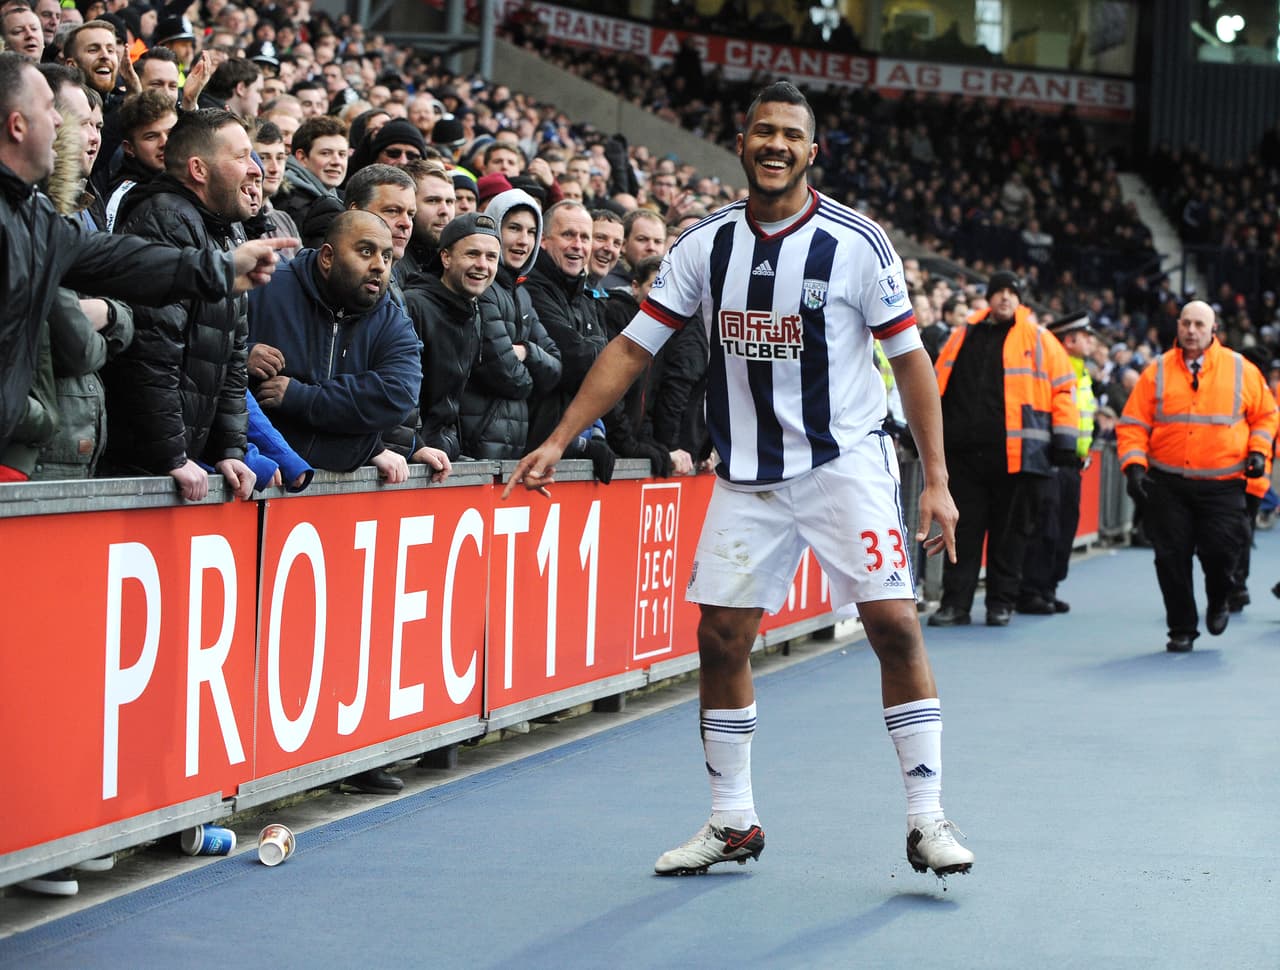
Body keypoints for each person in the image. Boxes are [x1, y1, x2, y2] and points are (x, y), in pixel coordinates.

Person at [505, 81, 973, 879]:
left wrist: (936, 480)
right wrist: (558, 436)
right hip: (748, 476)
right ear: (743, 141)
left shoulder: (857, 243)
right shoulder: (706, 245)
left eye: (792, 134)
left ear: (811, 151)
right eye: (764, 131)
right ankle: (732, 823)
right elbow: (631, 347)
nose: (776, 145)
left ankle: (927, 819)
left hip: (844, 465)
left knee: (896, 625)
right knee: (720, 639)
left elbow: (911, 362)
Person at [0, 53, 292, 479]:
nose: (62, 126)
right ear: (17, 125)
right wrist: (29, 414)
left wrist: (219, 269)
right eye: (52, 111)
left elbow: (113, 258)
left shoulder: (30, 212)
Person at [100, 109, 265, 501]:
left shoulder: (224, 229)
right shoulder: (164, 220)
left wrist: (229, 451)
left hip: (181, 460)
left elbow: (232, 355)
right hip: (141, 468)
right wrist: (170, 455)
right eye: (240, 157)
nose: (254, 168)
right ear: (198, 169)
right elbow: (149, 350)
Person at [1117, 300, 1278, 652]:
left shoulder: (1241, 369)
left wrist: (1258, 451)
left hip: (1223, 484)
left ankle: (1219, 598)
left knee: (1221, 553)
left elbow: (1266, 416)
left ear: (1213, 330)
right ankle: (1182, 628)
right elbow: (1133, 424)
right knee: (1170, 556)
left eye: (1199, 325)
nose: (1191, 331)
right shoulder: (1156, 371)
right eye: (1186, 323)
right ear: (1177, 326)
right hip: (1169, 483)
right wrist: (1133, 466)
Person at [929, 270, 1079, 627]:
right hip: (964, 457)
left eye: (1013, 292)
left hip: (1015, 458)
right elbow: (937, 384)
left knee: (1009, 537)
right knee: (962, 535)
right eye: (1000, 291)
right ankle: (955, 605)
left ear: (1020, 299)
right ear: (990, 297)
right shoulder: (961, 335)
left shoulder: (1041, 340)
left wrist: (1065, 441)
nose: (1006, 298)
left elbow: (1063, 392)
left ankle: (1001, 603)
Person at [401, 210, 501, 462]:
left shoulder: (473, 311)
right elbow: (401, 388)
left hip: (445, 455)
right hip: (415, 458)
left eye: (491, 257)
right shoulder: (414, 305)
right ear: (445, 257)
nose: (482, 265)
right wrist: (415, 446)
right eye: (472, 254)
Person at [1017, 310, 1097, 614]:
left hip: (1073, 462)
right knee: (1045, 527)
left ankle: (1048, 587)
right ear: (1070, 339)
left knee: (1064, 526)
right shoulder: (1056, 368)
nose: (1091, 342)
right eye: (1086, 336)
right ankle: (1031, 590)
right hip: (1051, 459)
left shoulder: (1081, 371)